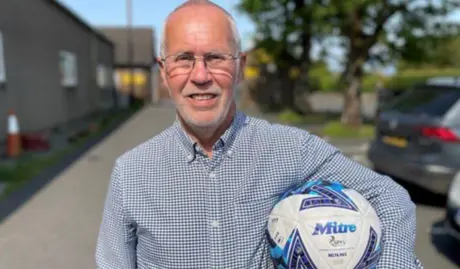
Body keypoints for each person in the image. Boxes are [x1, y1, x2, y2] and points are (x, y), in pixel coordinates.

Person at [95, 1, 424, 268]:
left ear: (240, 67)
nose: (200, 75)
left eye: (216, 58)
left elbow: (390, 198)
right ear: (164, 71)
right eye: (183, 59)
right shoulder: (131, 173)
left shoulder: (291, 149)